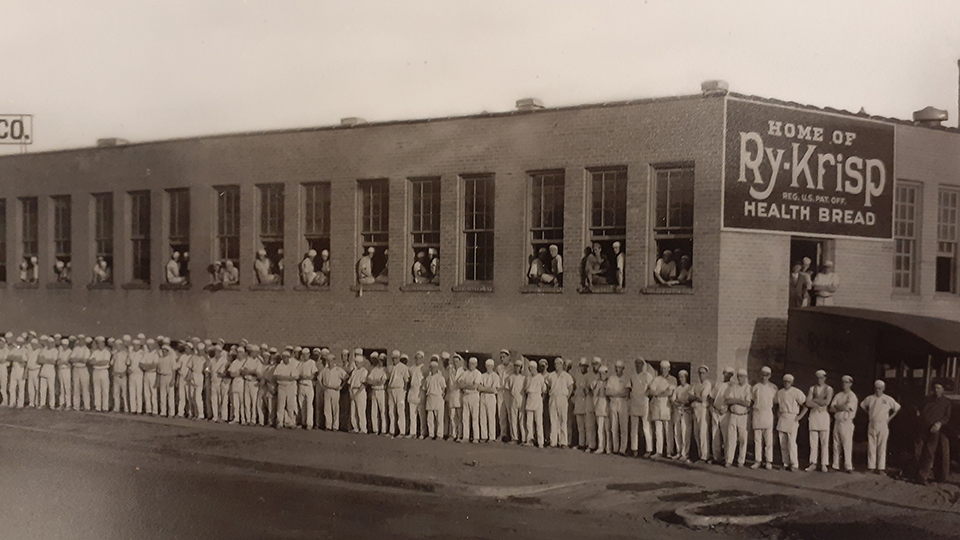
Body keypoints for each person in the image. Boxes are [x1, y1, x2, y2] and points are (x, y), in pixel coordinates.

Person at [860, 380, 900, 474]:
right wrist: (869, 414)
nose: (878, 390)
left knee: (882, 446)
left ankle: (881, 468)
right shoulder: (870, 398)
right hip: (872, 424)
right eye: (876, 388)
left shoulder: (888, 399)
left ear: (883, 388)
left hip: (883, 424)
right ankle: (871, 467)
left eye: (880, 388)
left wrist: (889, 419)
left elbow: (897, 408)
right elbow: (862, 406)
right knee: (871, 446)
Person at [917, 382, 952, 485]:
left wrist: (939, 423)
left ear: (943, 390)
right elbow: (919, 409)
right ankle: (915, 473)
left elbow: (946, 417)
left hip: (934, 429)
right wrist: (919, 415)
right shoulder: (926, 399)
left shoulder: (946, 402)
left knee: (929, 451)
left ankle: (923, 476)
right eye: (935, 388)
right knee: (918, 450)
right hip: (922, 428)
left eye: (939, 388)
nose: (937, 390)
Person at [775, 374, 808, 471]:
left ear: (792, 382)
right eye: (785, 381)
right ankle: (785, 463)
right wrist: (778, 414)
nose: (786, 383)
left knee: (792, 442)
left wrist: (800, 416)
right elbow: (776, 405)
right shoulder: (779, 392)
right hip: (782, 417)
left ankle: (794, 464)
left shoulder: (796, 392)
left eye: (788, 381)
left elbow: (806, 405)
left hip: (792, 417)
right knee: (782, 442)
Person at [805, 369, 834, 472]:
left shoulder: (829, 389)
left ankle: (824, 464)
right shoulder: (812, 388)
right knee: (813, 441)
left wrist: (814, 400)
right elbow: (807, 402)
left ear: (825, 378)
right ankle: (813, 463)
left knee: (824, 441)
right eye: (818, 378)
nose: (820, 379)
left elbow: (827, 402)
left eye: (821, 377)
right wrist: (817, 403)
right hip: (814, 416)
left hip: (823, 416)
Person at [647, 360, 677, 458]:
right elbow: (651, 392)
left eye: (665, 368)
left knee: (668, 430)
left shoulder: (672, 379)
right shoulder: (656, 379)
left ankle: (669, 451)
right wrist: (662, 392)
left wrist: (658, 392)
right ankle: (658, 451)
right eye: (662, 368)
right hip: (657, 405)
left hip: (667, 405)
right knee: (658, 430)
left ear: (669, 368)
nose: (664, 370)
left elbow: (669, 393)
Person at [749, 367, 777, 469]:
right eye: (763, 375)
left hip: (768, 414)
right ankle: (758, 460)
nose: (764, 377)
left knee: (768, 440)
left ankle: (769, 461)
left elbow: (775, 403)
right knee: (757, 439)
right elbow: (752, 400)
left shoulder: (773, 388)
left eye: (766, 375)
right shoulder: (756, 387)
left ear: (769, 376)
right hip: (757, 413)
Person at [830, 375, 858, 473]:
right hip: (837, 421)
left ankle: (848, 466)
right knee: (836, 444)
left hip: (847, 422)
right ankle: (835, 465)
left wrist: (838, 406)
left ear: (850, 383)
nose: (844, 384)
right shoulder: (838, 395)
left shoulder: (852, 396)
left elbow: (848, 408)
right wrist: (841, 406)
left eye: (846, 382)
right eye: (843, 382)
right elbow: (831, 408)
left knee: (847, 444)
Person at [724, 369, 752, 467]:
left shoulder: (748, 388)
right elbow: (728, 400)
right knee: (731, 438)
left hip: (743, 416)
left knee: (743, 439)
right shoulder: (733, 387)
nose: (740, 378)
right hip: (733, 414)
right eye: (738, 376)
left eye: (742, 376)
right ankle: (729, 460)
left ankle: (741, 460)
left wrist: (735, 400)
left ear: (745, 377)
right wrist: (740, 400)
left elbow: (747, 403)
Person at [628, 358, 655, 457]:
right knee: (634, 428)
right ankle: (634, 449)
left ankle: (649, 449)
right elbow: (629, 388)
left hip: (644, 404)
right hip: (634, 404)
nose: (638, 365)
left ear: (643, 365)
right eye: (636, 363)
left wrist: (646, 398)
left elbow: (651, 390)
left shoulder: (648, 376)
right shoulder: (632, 376)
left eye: (640, 363)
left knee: (646, 427)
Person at [547, 357, 574, 448]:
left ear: (562, 364)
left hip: (563, 398)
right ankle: (553, 442)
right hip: (553, 398)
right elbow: (548, 387)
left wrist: (566, 398)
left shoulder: (567, 376)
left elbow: (570, 388)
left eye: (558, 363)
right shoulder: (551, 375)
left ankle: (563, 442)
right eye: (555, 364)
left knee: (563, 420)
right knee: (553, 420)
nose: (556, 365)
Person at [605, 360, 629, 455]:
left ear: (623, 369)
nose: (617, 369)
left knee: (623, 426)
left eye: (619, 368)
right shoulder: (611, 378)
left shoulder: (626, 379)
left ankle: (623, 449)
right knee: (613, 426)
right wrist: (619, 393)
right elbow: (607, 392)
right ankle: (615, 448)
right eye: (616, 367)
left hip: (623, 404)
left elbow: (626, 392)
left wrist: (614, 393)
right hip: (613, 403)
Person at [521, 360, 546, 447]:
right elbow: (525, 389)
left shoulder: (540, 377)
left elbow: (544, 390)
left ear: (535, 368)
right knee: (529, 422)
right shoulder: (528, 378)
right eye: (529, 368)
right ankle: (529, 439)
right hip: (530, 399)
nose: (531, 369)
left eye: (532, 368)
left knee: (538, 422)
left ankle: (540, 442)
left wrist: (541, 400)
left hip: (537, 398)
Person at [457, 357, 482, 443]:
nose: (471, 365)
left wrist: (465, 385)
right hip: (465, 396)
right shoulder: (465, 373)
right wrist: (469, 385)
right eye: (470, 363)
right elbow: (460, 384)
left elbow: (475, 386)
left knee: (474, 417)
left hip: (474, 396)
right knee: (465, 417)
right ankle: (465, 436)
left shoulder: (478, 374)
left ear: (476, 364)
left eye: (473, 363)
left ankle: (476, 437)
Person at [690, 366, 712, 462]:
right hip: (695, 409)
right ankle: (699, 454)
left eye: (703, 373)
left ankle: (705, 455)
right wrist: (696, 397)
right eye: (699, 373)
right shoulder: (696, 384)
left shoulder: (707, 384)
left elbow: (703, 398)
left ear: (706, 374)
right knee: (696, 432)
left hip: (703, 409)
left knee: (703, 432)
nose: (701, 375)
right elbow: (689, 396)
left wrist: (695, 396)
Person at [320, 354, 347, 431]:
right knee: (327, 408)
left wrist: (341, 386)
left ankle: (335, 426)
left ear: (334, 361)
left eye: (331, 360)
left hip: (335, 390)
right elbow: (319, 379)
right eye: (328, 360)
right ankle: (328, 425)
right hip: (327, 390)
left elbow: (346, 378)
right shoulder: (324, 370)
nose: (330, 362)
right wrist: (322, 387)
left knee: (335, 408)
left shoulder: (338, 370)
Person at [671, 369, 694, 462]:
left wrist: (681, 402)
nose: (681, 379)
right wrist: (679, 403)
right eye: (680, 377)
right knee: (677, 432)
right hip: (677, 411)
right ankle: (679, 452)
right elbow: (673, 400)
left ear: (686, 378)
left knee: (685, 433)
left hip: (686, 412)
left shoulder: (690, 388)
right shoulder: (677, 388)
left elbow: (688, 400)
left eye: (683, 377)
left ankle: (685, 453)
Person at [573, 358, 595, 450]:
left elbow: (591, 390)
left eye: (585, 366)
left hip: (587, 401)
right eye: (581, 366)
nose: (583, 368)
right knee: (580, 425)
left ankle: (590, 444)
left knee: (589, 426)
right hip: (578, 402)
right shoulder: (577, 376)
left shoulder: (590, 377)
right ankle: (581, 443)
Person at [386, 352, 410, 437]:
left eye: (395, 358)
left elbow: (406, 380)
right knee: (391, 411)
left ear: (398, 358)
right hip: (391, 389)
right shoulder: (390, 367)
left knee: (400, 411)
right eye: (392, 358)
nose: (394, 360)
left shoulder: (403, 367)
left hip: (400, 390)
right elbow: (387, 379)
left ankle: (402, 431)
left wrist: (404, 391)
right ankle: (391, 430)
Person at [273, 351, 298, 428]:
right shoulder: (279, 366)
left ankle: (291, 422)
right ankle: (279, 422)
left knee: (290, 405)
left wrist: (283, 377)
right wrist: (287, 377)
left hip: (290, 387)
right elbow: (276, 376)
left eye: (287, 357)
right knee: (280, 405)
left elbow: (293, 377)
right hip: (281, 387)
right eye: (284, 357)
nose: (285, 359)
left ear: (289, 358)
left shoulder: (293, 366)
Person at [345, 350, 368, 434]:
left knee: (360, 410)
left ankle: (363, 428)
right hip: (353, 390)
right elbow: (349, 383)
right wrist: (351, 393)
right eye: (356, 362)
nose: (357, 364)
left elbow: (363, 384)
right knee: (353, 410)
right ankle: (355, 427)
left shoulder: (364, 371)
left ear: (361, 363)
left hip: (360, 391)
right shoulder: (354, 371)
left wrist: (356, 394)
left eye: (358, 362)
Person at [478, 358, 500, 442]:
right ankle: (484, 436)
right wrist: (487, 388)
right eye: (487, 366)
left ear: (493, 366)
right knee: (482, 417)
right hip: (483, 397)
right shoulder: (482, 376)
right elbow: (479, 388)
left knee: (491, 417)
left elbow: (494, 390)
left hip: (491, 397)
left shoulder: (495, 376)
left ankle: (491, 437)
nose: (488, 367)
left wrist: (484, 388)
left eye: (490, 366)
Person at [241, 345, 263, 425]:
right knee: (246, 401)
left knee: (253, 402)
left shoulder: (259, 362)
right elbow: (243, 372)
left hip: (254, 383)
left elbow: (258, 374)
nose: (253, 353)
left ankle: (253, 420)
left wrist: (250, 372)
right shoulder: (248, 360)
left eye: (254, 352)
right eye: (252, 352)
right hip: (247, 382)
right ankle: (248, 419)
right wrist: (252, 371)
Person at [367, 352, 388, 435]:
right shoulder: (374, 369)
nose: (380, 362)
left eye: (382, 360)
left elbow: (382, 382)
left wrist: (374, 382)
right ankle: (375, 429)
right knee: (374, 411)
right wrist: (376, 382)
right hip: (374, 391)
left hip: (381, 391)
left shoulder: (385, 370)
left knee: (382, 411)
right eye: (379, 360)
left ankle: (383, 430)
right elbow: (368, 380)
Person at [407, 352, 428, 439]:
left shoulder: (424, 368)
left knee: (421, 414)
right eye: (416, 358)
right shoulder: (411, 368)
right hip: (412, 391)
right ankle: (413, 432)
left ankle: (423, 432)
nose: (417, 360)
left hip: (420, 392)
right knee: (412, 414)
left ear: (422, 358)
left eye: (419, 358)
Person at [296, 348, 318, 429]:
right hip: (301, 384)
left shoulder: (312, 363)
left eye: (306, 354)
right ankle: (303, 422)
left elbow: (313, 375)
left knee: (309, 404)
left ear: (309, 355)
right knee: (301, 404)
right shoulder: (300, 363)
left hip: (308, 384)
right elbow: (297, 374)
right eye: (303, 354)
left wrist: (307, 377)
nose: (304, 356)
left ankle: (309, 423)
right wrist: (301, 376)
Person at [424, 360, 446, 439]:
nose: (433, 369)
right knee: (430, 418)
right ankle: (431, 434)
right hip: (430, 398)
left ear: (437, 368)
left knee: (439, 418)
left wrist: (441, 396)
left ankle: (439, 435)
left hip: (438, 397)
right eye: (431, 367)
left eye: (434, 367)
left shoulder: (440, 378)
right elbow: (425, 388)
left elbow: (443, 389)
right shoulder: (428, 378)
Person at [592, 365, 610, 454]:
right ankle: (600, 446)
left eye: (604, 373)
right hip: (599, 405)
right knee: (600, 428)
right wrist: (595, 405)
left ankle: (608, 447)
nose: (602, 375)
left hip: (608, 406)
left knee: (608, 428)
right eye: (600, 373)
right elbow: (595, 394)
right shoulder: (597, 383)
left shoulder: (609, 382)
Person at [444, 353, 463, 440]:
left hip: (459, 395)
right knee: (452, 416)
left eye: (457, 361)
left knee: (459, 416)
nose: (455, 363)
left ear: (460, 362)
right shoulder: (450, 370)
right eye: (454, 361)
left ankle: (460, 435)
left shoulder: (463, 371)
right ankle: (453, 434)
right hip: (451, 394)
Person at [71, 336, 92, 411]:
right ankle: (76, 406)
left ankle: (87, 406)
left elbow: (84, 360)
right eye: (79, 340)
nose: (80, 341)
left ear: (84, 341)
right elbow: (72, 359)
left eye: (82, 340)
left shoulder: (86, 350)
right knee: (76, 388)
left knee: (85, 388)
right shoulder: (75, 349)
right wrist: (79, 359)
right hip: (76, 369)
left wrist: (77, 359)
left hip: (83, 369)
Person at [495, 349, 512, 442]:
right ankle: (503, 434)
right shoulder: (498, 368)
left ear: (508, 357)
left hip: (509, 392)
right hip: (500, 391)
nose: (502, 359)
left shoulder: (513, 367)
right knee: (501, 414)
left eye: (504, 357)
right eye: (501, 357)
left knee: (511, 414)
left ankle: (513, 435)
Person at [157, 341, 177, 417]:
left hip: (169, 376)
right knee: (162, 395)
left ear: (168, 351)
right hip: (162, 377)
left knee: (170, 395)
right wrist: (158, 380)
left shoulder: (171, 359)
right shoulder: (160, 359)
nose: (164, 352)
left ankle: (171, 413)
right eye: (163, 351)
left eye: (165, 351)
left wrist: (173, 379)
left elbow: (174, 370)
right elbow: (159, 371)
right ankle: (163, 412)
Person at [37, 337, 58, 409]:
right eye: (48, 343)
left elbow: (54, 362)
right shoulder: (44, 349)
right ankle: (42, 403)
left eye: (51, 343)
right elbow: (39, 360)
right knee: (42, 388)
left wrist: (45, 360)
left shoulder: (55, 351)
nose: (49, 344)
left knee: (51, 388)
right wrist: (48, 360)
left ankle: (52, 404)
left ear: (53, 343)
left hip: (51, 370)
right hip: (44, 369)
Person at [227, 348, 246, 424]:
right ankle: (236, 418)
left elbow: (244, 373)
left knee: (242, 402)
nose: (239, 354)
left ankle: (243, 418)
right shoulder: (234, 362)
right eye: (238, 352)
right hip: (235, 382)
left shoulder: (245, 362)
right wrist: (238, 373)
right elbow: (231, 374)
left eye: (240, 352)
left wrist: (238, 373)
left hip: (242, 383)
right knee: (235, 402)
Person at [188, 343, 207, 419]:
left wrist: (206, 377)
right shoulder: (193, 357)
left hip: (200, 376)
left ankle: (200, 414)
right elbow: (190, 367)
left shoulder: (205, 358)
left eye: (201, 350)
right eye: (199, 350)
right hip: (193, 375)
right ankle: (194, 413)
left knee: (197, 397)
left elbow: (207, 369)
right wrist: (190, 376)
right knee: (191, 396)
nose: (200, 352)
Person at [111, 338, 129, 412]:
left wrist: (124, 372)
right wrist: (113, 372)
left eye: (118, 345)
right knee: (116, 392)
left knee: (124, 393)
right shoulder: (114, 354)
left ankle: (126, 408)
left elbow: (128, 364)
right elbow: (112, 364)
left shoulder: (126, 354)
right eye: (116, 345)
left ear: (121, 345)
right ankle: (116, 408)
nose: (117, 347)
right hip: (116, 375)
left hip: (123, 375)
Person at [8, 337, 26, 408]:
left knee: (21, 387)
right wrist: (17, 358)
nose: (19, 343)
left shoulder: (25, 350)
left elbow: (23, 360)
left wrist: (15, 358)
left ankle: (20, 403)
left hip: (21, 369)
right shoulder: (14, 349)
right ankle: (12, 402)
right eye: (18, 342)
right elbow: (9, 357)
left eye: (20, 342)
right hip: (14, 369)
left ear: (23, 343)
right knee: (12, 387)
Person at [55, 338, 73, 410]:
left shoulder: (70, 351)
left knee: (67, 387)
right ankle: (61, 403)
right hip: (60, 369)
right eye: (62, 345)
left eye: (65, 345)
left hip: (66, 370)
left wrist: (64, 362)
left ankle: (68, 404)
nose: (63, 346)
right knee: (62, 387)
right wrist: (63, 361)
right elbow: (58, 360)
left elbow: (69, 362)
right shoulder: (60, 351)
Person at [24, 337, 40, 408]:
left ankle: (37, 402)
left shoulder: (39, 351)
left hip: (37, 370)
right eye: (32, 344)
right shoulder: (29, 352)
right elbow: (27, 363)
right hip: (30, 370)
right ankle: (31, 403)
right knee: (30, 388)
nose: (33, 345)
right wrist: (25, 372)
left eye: (34, 344)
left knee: (37, 387)